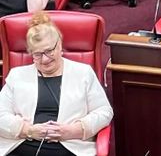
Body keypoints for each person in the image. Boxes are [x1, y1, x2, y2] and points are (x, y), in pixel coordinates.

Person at [0, 11, 113, 155]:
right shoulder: (17, 76)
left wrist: (72, 131)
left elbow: (104, 112)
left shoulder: (83, 73)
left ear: (59, 45)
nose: (45, 59)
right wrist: (28, 130)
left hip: (68, 147)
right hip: (22, 145)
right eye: (37, 54)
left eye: (49, 51)